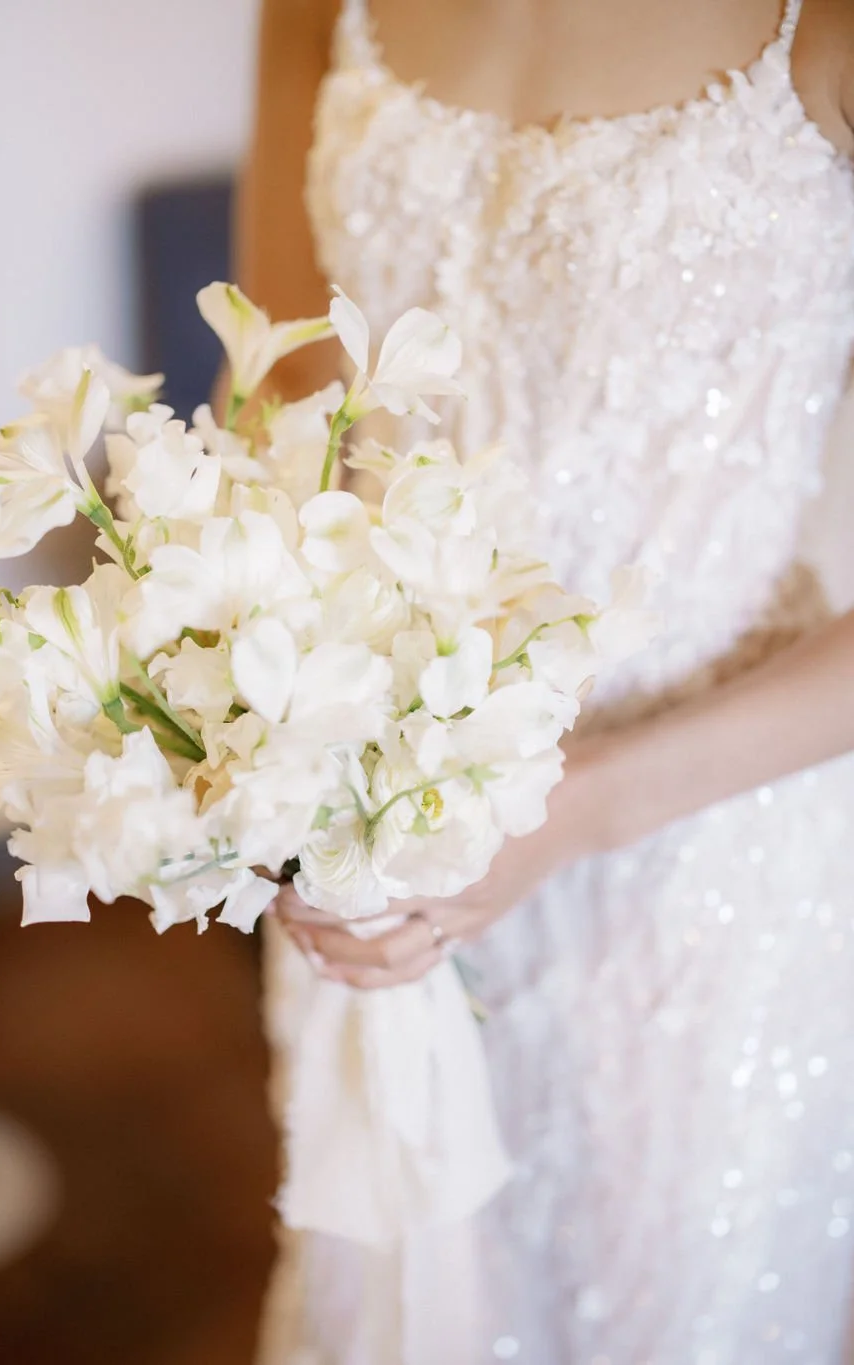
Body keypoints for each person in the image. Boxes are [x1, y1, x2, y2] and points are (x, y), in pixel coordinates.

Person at [239, 0, 854, 1359]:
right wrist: (257, 737)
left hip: (697, 876)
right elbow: (276, 412)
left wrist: (575, 808)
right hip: (382, 846)